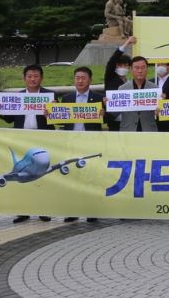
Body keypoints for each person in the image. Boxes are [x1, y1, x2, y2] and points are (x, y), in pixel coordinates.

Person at [0, 64, 54, 223]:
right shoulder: (17, 97)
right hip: (22, 142)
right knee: (21, 176)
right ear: (24, 79)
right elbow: (10, 119)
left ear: (41, 78)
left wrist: (51, 113)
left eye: (36, 76)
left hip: (43, 141)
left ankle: (43, 210)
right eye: (29, 76)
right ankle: (23, 211)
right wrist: (2, 109)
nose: (32, 79)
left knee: (42, 177)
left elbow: (58, 119)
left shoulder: (50, 95)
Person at [59, 66, 104, 223]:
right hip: (72, 143)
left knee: (91, 177)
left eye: (83, 78)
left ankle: (92, 210)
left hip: (91, 143)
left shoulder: (99, 98)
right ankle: (73, 210)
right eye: (77, 77)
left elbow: (109, 118)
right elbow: (60, 120)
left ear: (90, 80)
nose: (80, 80)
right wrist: (50, 113)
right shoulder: (66, 98)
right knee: (73, 177)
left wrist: (104, 113)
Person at [118, 55, 158, 132]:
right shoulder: (122, 89)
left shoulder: (155, 89)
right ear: (130, 69)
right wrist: (109, 103)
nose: (140, 70)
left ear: (147, 69)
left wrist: (161, 105)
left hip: (149, 130)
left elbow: (160, 112)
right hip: (128, 130)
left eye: (143, 67)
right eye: (136, 68)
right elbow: (115, 112)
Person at [104, 36, 135, 131]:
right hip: (115, 121)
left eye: (125, 65)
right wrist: (126, 44)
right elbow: (111, 61)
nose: (122, 67)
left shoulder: (131, 83)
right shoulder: (110, 78)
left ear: (129, 68)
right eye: (119, 65)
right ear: (116, 66)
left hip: (130, 122)